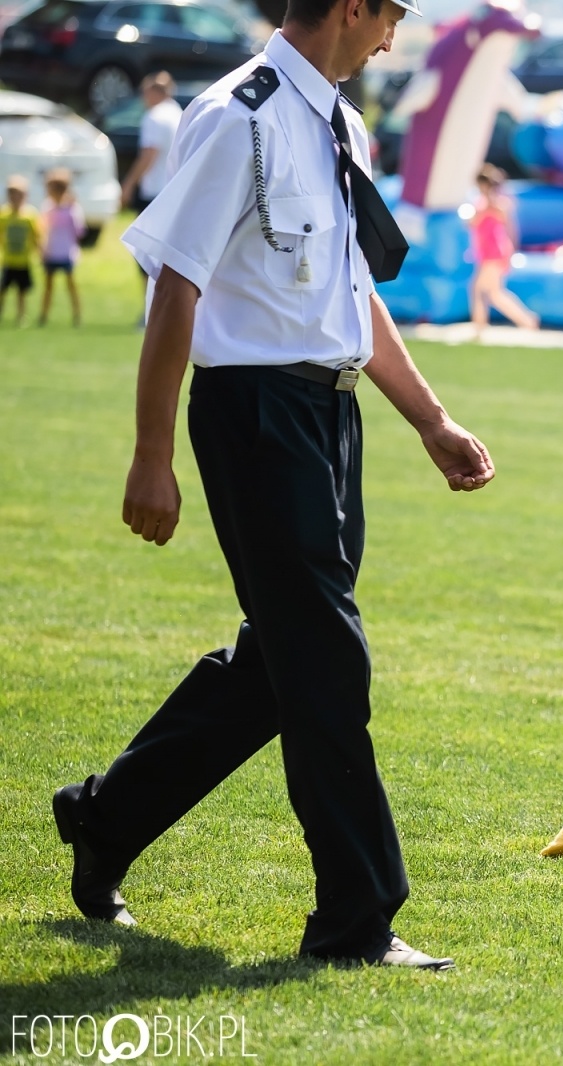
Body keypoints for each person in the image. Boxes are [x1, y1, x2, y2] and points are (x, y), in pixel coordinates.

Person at [51, 0, 495, 971]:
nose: (393, 36)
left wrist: (429, 419)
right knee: (328, 663)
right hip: (254, 415)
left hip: (331, 419)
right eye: (391, 15)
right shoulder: (235, 115)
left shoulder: (342, 122)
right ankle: (356, 919)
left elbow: (350, 294)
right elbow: (177, 284)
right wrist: (149, 452)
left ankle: (104, 818)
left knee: (281, 667)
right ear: (349, 8)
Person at [469, 163, 539, 335]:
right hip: (488, 252)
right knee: (490, 292)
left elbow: (507, 226)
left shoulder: (495, 204)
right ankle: (523, 319)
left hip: (494, 251)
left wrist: (512, 250)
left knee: (484, 291)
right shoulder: (486, 203)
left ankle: (523, 320)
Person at [121, 72, 182, 213]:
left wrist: (129, 185)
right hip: (173, 188)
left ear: (153, 92)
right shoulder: (178, 112)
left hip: (154, 190)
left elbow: (148, 155)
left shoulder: (154, 116)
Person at [37, 169, 85, 327]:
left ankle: (77, 315)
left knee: (70, 285)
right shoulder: (47, 207)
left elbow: (79, 230)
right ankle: (43, 315)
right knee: (48, 286)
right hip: (51, 252)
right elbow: (42, 228)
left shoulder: (72, 209)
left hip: (66, 253)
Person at [2, 174, 40, 326]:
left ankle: (21, 316)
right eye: (12, 195)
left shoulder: (30, 215)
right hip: (8, 260)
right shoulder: (3, 215)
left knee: (21, 291)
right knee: (3, 289)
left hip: (23, 261)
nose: (15, 198)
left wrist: (40, 251)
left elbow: (36, 236)